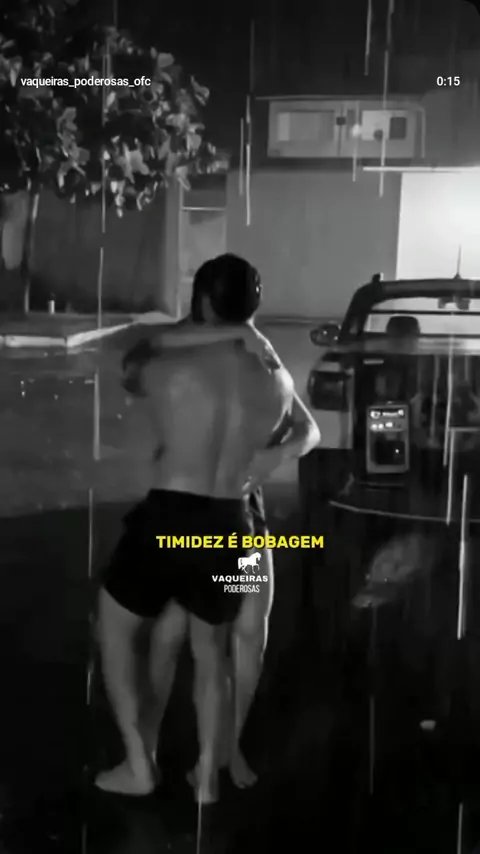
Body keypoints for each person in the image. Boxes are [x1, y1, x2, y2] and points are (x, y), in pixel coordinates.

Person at [94, 255, 316, 803]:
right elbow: (304, 425)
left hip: (180, 515)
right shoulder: (274, 374)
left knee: (127, 627)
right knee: (212, 642)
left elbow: (133, 357)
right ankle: (208, 774)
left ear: (203, 302)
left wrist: (198, 336)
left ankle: (149, 759)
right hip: (233, 520)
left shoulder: (175, 361)